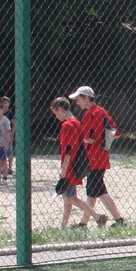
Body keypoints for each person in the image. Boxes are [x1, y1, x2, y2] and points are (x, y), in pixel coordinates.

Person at [71, 85, 126, 227]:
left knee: (96, 191)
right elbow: (115, 132)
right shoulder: (102, 111)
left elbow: (86, 137)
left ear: (86, 98)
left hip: (93, 158)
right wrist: (101, 140)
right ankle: (84, 223)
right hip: (100, 156)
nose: (77, 102)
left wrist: (89, 140)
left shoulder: (90, 114)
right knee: (94, 192)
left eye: (78, 99)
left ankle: (118, 220)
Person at [49, 97, 97, 228]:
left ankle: (97, 217)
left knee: (69, 197)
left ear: (60, 109)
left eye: (55, 113)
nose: (56, 116)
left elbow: (68, 149)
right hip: (77, 162)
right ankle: (63, 226)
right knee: (68, 198)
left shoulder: (67, 125)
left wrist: (64, 168)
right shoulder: (77, 122)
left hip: (70, 164)